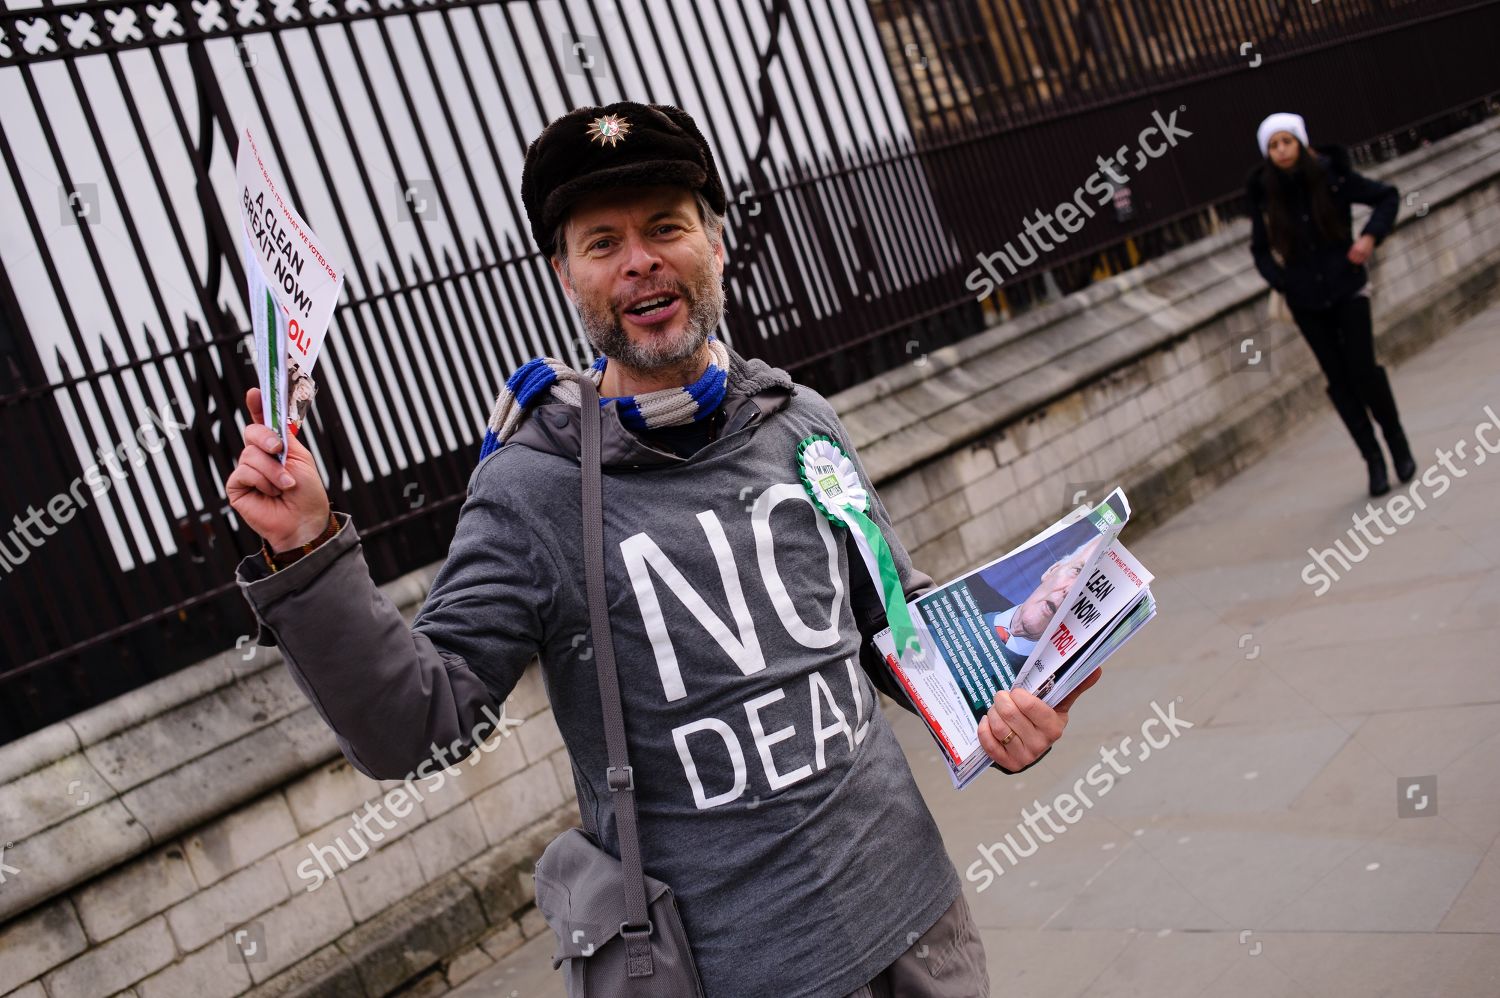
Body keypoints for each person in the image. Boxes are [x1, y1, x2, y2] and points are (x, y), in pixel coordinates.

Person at [225, 101, 1102, 998]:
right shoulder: (534, 488)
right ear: (566, 275)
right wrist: (306, 548)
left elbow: (887, 617)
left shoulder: (801, 422)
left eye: (665, 226)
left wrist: (1014, 677)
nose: (639, 259)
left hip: (921, 929)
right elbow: (415, 725)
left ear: (714, 245)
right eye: (601, 242)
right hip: (729, 974)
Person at [1246, 111, 1414, 498]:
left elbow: (1386, 196)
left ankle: (1397, 442)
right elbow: (1259, 249)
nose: (1281, 150)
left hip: (1347, 288)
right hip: (1305, 299)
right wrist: (1282, 280)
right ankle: (1372, 458)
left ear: (1301, 142)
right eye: (1273, 145)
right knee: (1338, 380)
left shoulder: (1332, 174)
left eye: (1287, 141)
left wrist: (1370, 238)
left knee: (1363, 369)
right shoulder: (1264, 192)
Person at [972, 534, 1104, 674]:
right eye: (1078, 571)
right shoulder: (968, 590)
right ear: (1052, 570)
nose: (1070, 591)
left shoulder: (1047, 677)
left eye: (1086, 589)